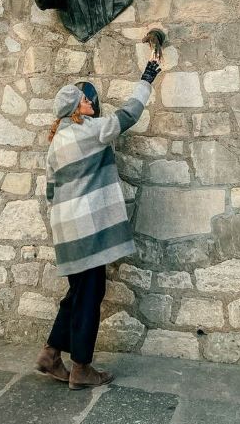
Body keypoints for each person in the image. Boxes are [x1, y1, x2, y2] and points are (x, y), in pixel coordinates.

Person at [35, 58, 161, 390]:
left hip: (67, 232)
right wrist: (147, 77)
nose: (91, 102)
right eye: (85, 100)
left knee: (77, 293)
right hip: (88, 231)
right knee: (91, 294)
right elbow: (128, 114)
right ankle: (82, 368)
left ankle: (50, 354)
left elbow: (50, 193)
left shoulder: (55, 144)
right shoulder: (89, 131)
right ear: (75, 109)